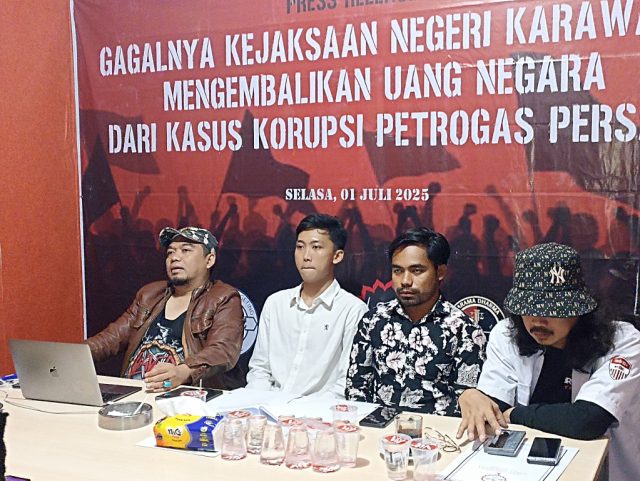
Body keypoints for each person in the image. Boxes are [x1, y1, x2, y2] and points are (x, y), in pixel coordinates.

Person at [457, 242, 640, 481]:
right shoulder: (507, 333)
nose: (538, 320)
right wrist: (473, 396)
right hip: (523, 469)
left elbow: (587, 421)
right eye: (528, 307)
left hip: (601, 470)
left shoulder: (623, 341)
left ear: (579, 308)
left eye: (553, 309)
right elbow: (493, 408)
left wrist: (514, 415)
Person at [346, 227, 487, 415]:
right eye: (398, 271)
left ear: (440, 272)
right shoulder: (374, 320)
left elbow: (468, 400)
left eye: (417, 270)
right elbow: (357, 387)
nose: (405, 280)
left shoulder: (464, 330)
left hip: (439, 429)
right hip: (378, 427)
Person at [88, 226, 244, 391]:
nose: (175, 257)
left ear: (209, 260)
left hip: (184, 396)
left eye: (186, 250)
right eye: (170, 252)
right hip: (134, 392)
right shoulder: (150, 294)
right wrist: (76, 353)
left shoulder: (223, 297)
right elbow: (111, 338)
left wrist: (184, 371)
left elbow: (223, 350)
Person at [246, 213, 367, 398]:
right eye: (300, 247)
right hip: (269, 406)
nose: (306, 256)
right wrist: (260, 403)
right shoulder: (276, 303)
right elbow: (259, 369)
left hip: (321, 410)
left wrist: (307, 411)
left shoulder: (353, 310)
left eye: (316, 247)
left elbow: (345, 382)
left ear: (337, 256)